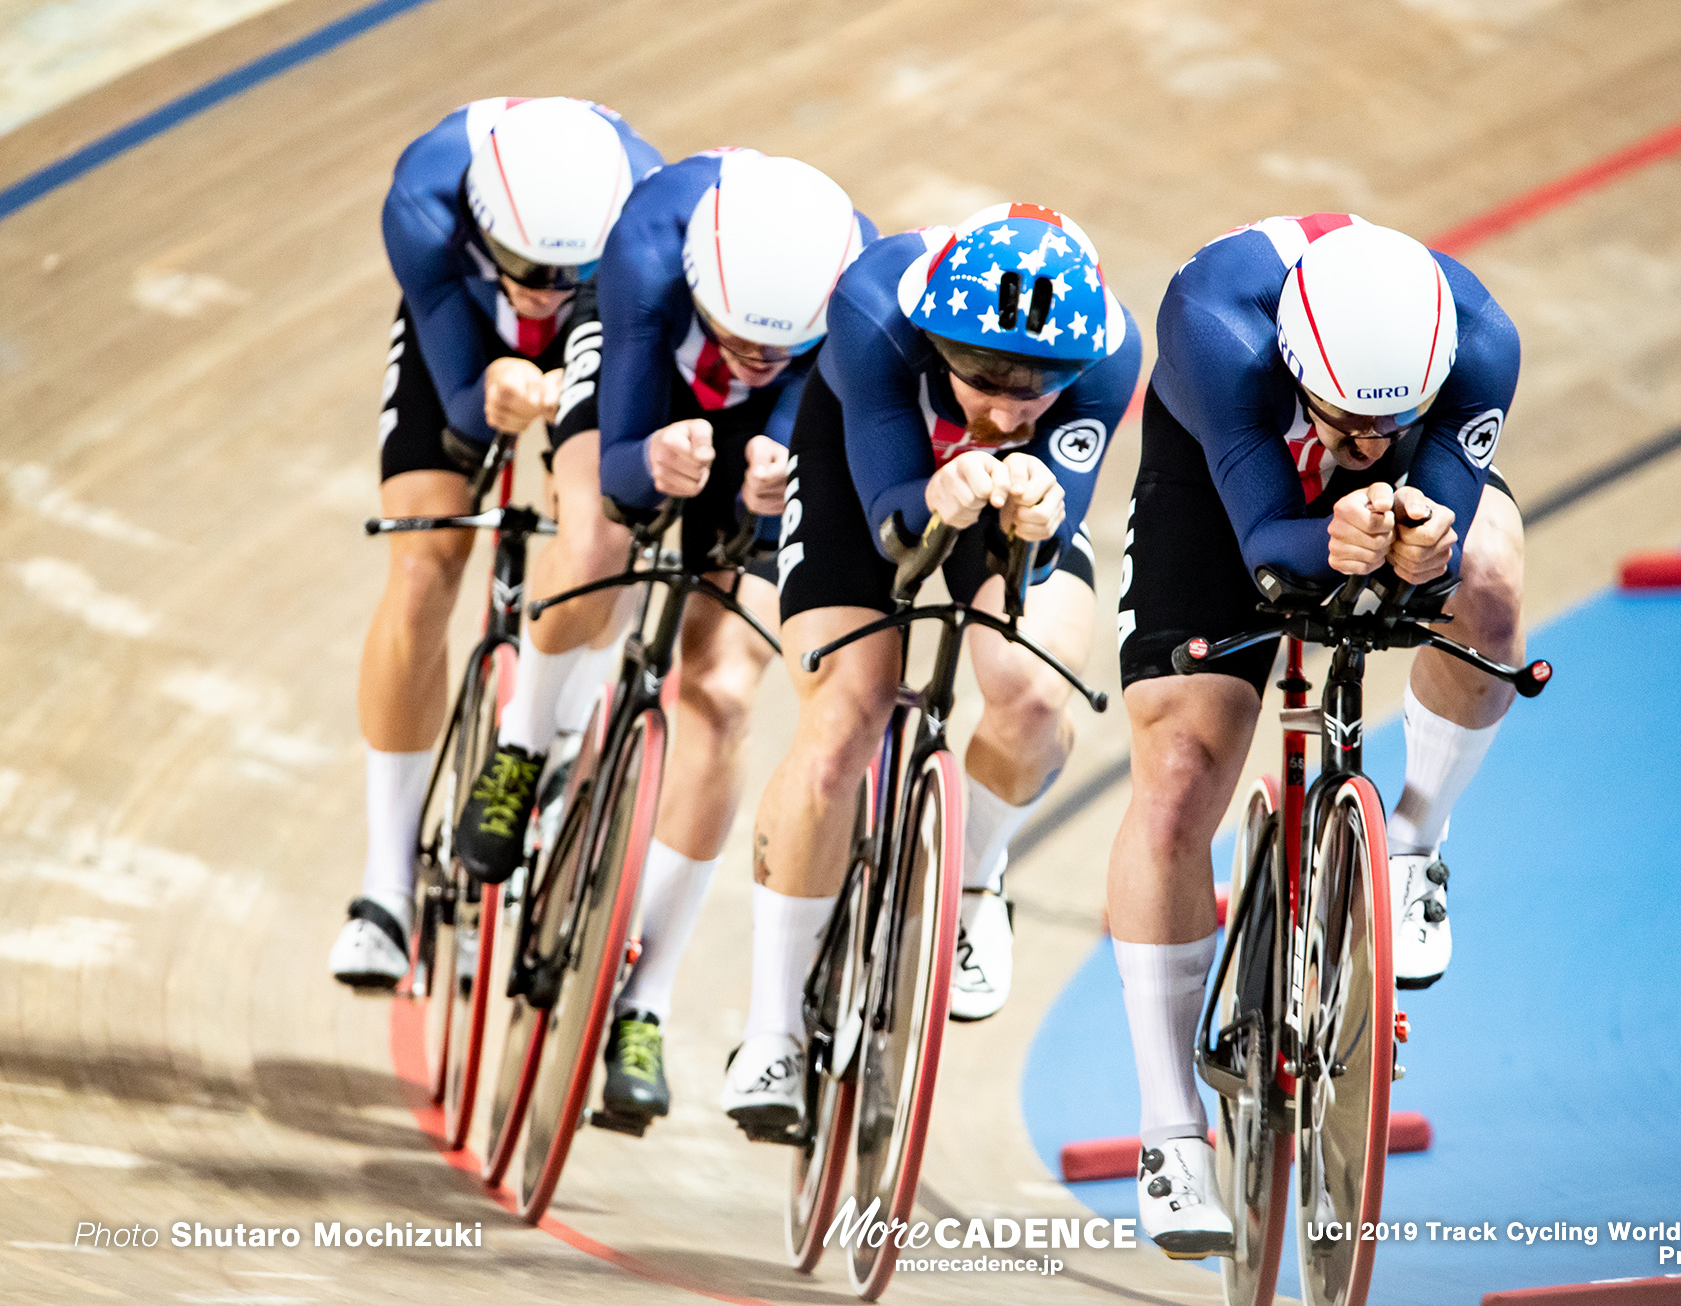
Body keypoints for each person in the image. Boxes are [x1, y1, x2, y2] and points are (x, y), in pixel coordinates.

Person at [1111, 213, 1523, 1255]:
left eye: (1396, 423)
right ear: (1299, 368)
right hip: (1223, 484)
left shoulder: (1481, 342)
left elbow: (1441, 505)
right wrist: (1331, 525)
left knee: (1490, 583)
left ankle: (1415, 846)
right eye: (1350, 424)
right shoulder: (1217, 328)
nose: (1372, 448)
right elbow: (1265, 543)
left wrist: (1427, 537)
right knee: (1179, 769)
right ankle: (1168, 1131)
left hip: (1366, 478)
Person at [451, 147, 875, 1134]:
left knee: (725, 690)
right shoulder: (645, 253)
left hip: (782, 426)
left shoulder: (843, 306)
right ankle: (521, 751)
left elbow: (794, 437)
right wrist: (655, 460)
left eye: (778, 343)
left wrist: (761, 481)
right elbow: (619, 478)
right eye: (741, 337)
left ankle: (645, 1001)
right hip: (647, 389)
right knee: (598, 536)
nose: (756, 354)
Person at [723, 203, 1142, 1138]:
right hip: (858, 481)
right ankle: (771, 1029)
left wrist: (1034, 509)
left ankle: (976, 877)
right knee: (844, 719)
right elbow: (890, 522)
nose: (1004, 408)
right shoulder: (876, 309)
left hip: (999, 512)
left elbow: (1050, 536)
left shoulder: (1111, 353)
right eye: (984, 377)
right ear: (934, 339)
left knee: (1033, 696)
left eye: (1037, 389)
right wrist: (935, 493)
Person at [328, 97, 661, 992]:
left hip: (615, 315)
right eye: (526, 270)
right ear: (483, 225)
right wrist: (495, 394)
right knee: (426, 557)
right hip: (467, 324)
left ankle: (553, 750)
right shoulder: (424, 203)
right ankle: (386, 885)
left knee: (610, 532)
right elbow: (464, 393)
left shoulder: (644, 221)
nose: (542, 294)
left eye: (563, 276)